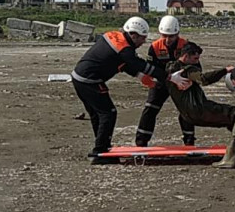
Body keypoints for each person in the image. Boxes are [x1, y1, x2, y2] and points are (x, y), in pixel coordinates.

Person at [71, 17, 184, 159]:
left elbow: (124, 63)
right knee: (108, 113)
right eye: (142, 38)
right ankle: (101, 150)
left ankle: (101, 147)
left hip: (79, 77)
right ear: (133, 35)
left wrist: (140, 76)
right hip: (89, 80)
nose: (143, 42)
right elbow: (139, 64)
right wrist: (169, 77)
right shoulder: (125, 49)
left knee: (98, 114)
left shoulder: (114, 37)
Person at [135, 15, 193, 146]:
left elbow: (196, 66)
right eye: (164, 35)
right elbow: (150, 68)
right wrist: (149, 81)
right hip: (161, 82)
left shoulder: (186, 45)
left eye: (171, 36)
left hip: (181, 83)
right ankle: (141, 142)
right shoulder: (155, 47)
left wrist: (189, 81)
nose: (167, 39)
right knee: (150, 109)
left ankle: (189, 142)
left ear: (177, 34)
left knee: (186, 111)